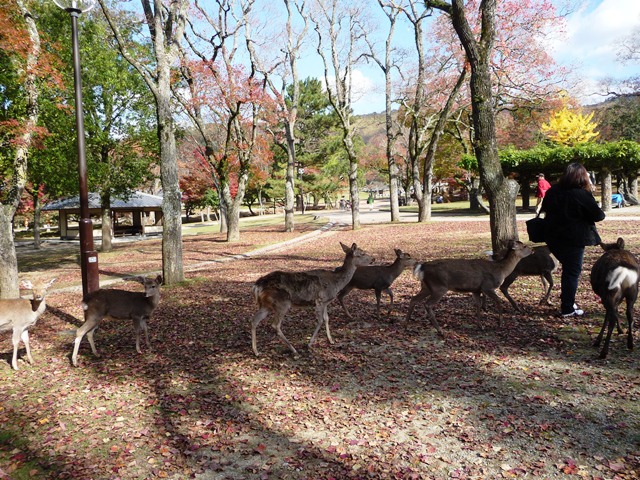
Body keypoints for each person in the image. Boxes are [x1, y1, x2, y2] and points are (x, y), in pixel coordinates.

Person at [540, 163, 605, 317]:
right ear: (581, 177)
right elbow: (599, 215)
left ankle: (568, 300)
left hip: (553, 238)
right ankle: (567, 308)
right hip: (573, 239)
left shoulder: (553, 190)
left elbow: (546, 208)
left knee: (569, 270)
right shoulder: (581, 194)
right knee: (572, 272)